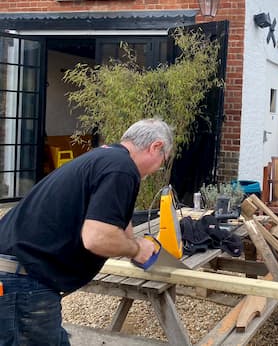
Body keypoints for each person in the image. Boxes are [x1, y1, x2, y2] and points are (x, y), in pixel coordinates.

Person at [0, 118, 174, 345]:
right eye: (163, 161)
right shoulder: (122, 168)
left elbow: (115, 219)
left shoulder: (106, 158)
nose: (158, 169)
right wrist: (136, 249)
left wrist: (133, 241)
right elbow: (97, 238)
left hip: (18, 273)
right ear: (156, 147)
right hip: (23, 280)